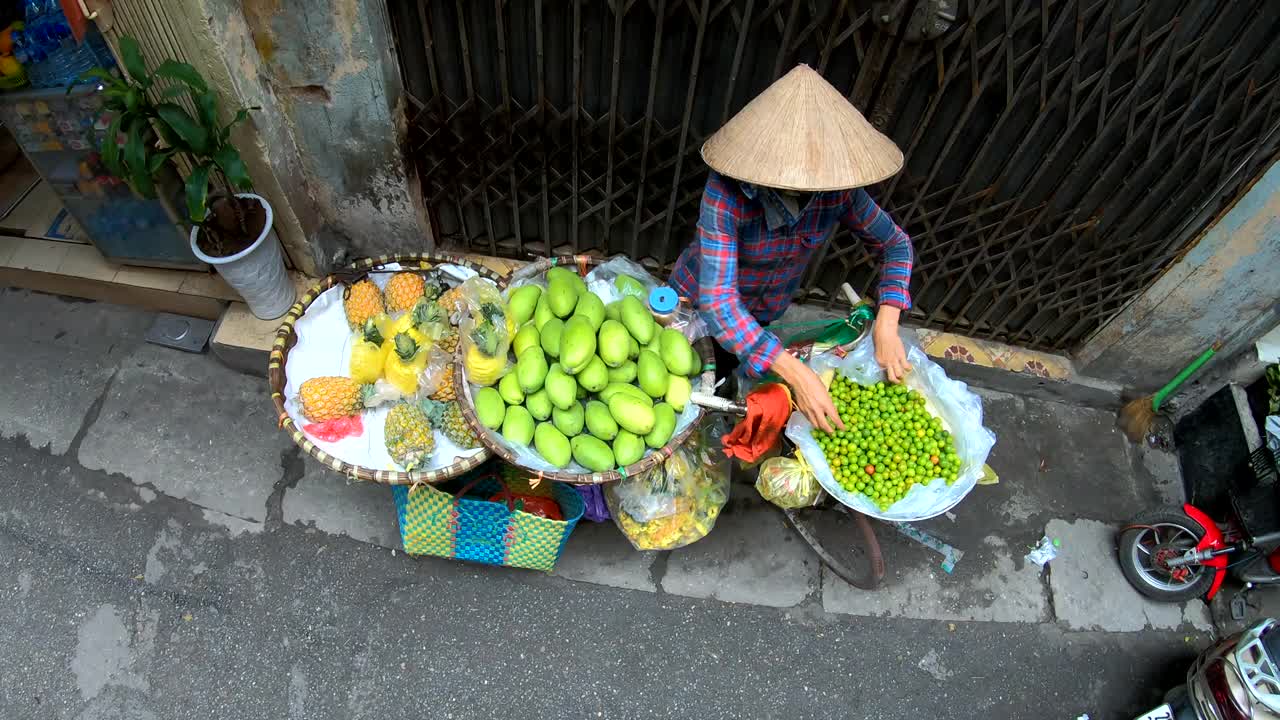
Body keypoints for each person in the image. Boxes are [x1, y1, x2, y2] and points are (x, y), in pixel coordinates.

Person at [670, 64, 914, 434]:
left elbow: (896, 245)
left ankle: (723, 394)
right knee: (686, 385)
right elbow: (719, 302)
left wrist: (887, 321)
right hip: (696, 306)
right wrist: (794, 371)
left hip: (762, 311)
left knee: (733, 369)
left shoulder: (837, 193)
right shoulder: (725, 194)